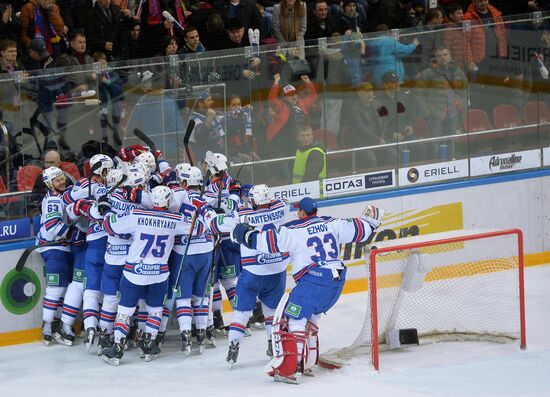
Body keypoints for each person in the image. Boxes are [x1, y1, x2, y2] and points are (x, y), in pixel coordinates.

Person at [230, 196, 385, 383]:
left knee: (293, 319)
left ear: (302, 212)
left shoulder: (294, 230)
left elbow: (268, 243)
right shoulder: (331, 223)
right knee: (311, 323)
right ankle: (309, 363)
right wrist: (371, 220)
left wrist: (245, 234)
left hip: (313, 281)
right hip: (336, 283)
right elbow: (361, 230)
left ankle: (294, 368)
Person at [99, 186, 193, 365]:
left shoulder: (137, 216)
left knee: (125, 310)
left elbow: (110, 225)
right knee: (155, 310)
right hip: (159, 275)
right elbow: (198, 228)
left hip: (134, 272)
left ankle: (118, 347)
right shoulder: (176, 219)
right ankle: (149, 344)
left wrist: (105, 210)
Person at [208, 184, 289, 368]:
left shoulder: (242, 215)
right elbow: (281, 202)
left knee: (242, 311)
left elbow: (216, 225)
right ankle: (272, 344)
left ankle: (233, 345)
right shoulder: (281, 209)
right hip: (277, 270)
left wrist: (211, 212)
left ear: (253, 200)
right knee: (271, 312)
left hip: (253, 271)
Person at [62, 153, 113, 351]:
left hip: (91, 241)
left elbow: (69, 204)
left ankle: (90, 326)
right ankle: (108, 331)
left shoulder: (88, 186)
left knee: (90, 289)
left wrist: (79, 199)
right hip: (103, 245)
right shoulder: (110, 189)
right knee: (107, 292)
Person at [36, 166, 71, 345]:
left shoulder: (59, 197)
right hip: (53, 248)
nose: (62, 181)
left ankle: (56, 323)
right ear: (50, 184)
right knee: (55, 289)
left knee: (63, 289)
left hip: (61, 248)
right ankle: (47, 324)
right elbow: (52, 226)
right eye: (57, 180)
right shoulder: (53, 200)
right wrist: (73, 233)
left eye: (62, 178)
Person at [416, 45, 467, 160]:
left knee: (452, 142)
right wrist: (427, 113)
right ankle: (434, 165)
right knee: (434, 144)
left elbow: (465, 90)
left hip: (453, 112)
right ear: (435, 58)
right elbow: (418, 95)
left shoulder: (458, 71)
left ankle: (451, 161)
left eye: (445, 55)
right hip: (435, 114)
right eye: (439, 56)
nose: (442, 58)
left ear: (450, 56)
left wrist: (462, 104)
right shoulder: (427, 73)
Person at [266, 73, 318, 159]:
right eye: (290, 95)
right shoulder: (281, 106)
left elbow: (313, 97)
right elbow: (272, 99)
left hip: (297, 140)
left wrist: (308, 83)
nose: (293, 96)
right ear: (284, 98)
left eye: (294, 93)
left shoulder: (302, 103)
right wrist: (276, 83)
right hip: (280, 141)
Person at [93, 51, 125, 147]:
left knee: (116, 118)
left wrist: (106, 82)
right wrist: (95, 81)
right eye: (100, 65)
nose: (103, 66)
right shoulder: (93, 77)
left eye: (104, 63)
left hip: (115, 103)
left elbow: (119, 90)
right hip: (103, 105)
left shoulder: (112, 74)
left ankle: (116, 135)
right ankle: (104, 137)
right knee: (103, 119)